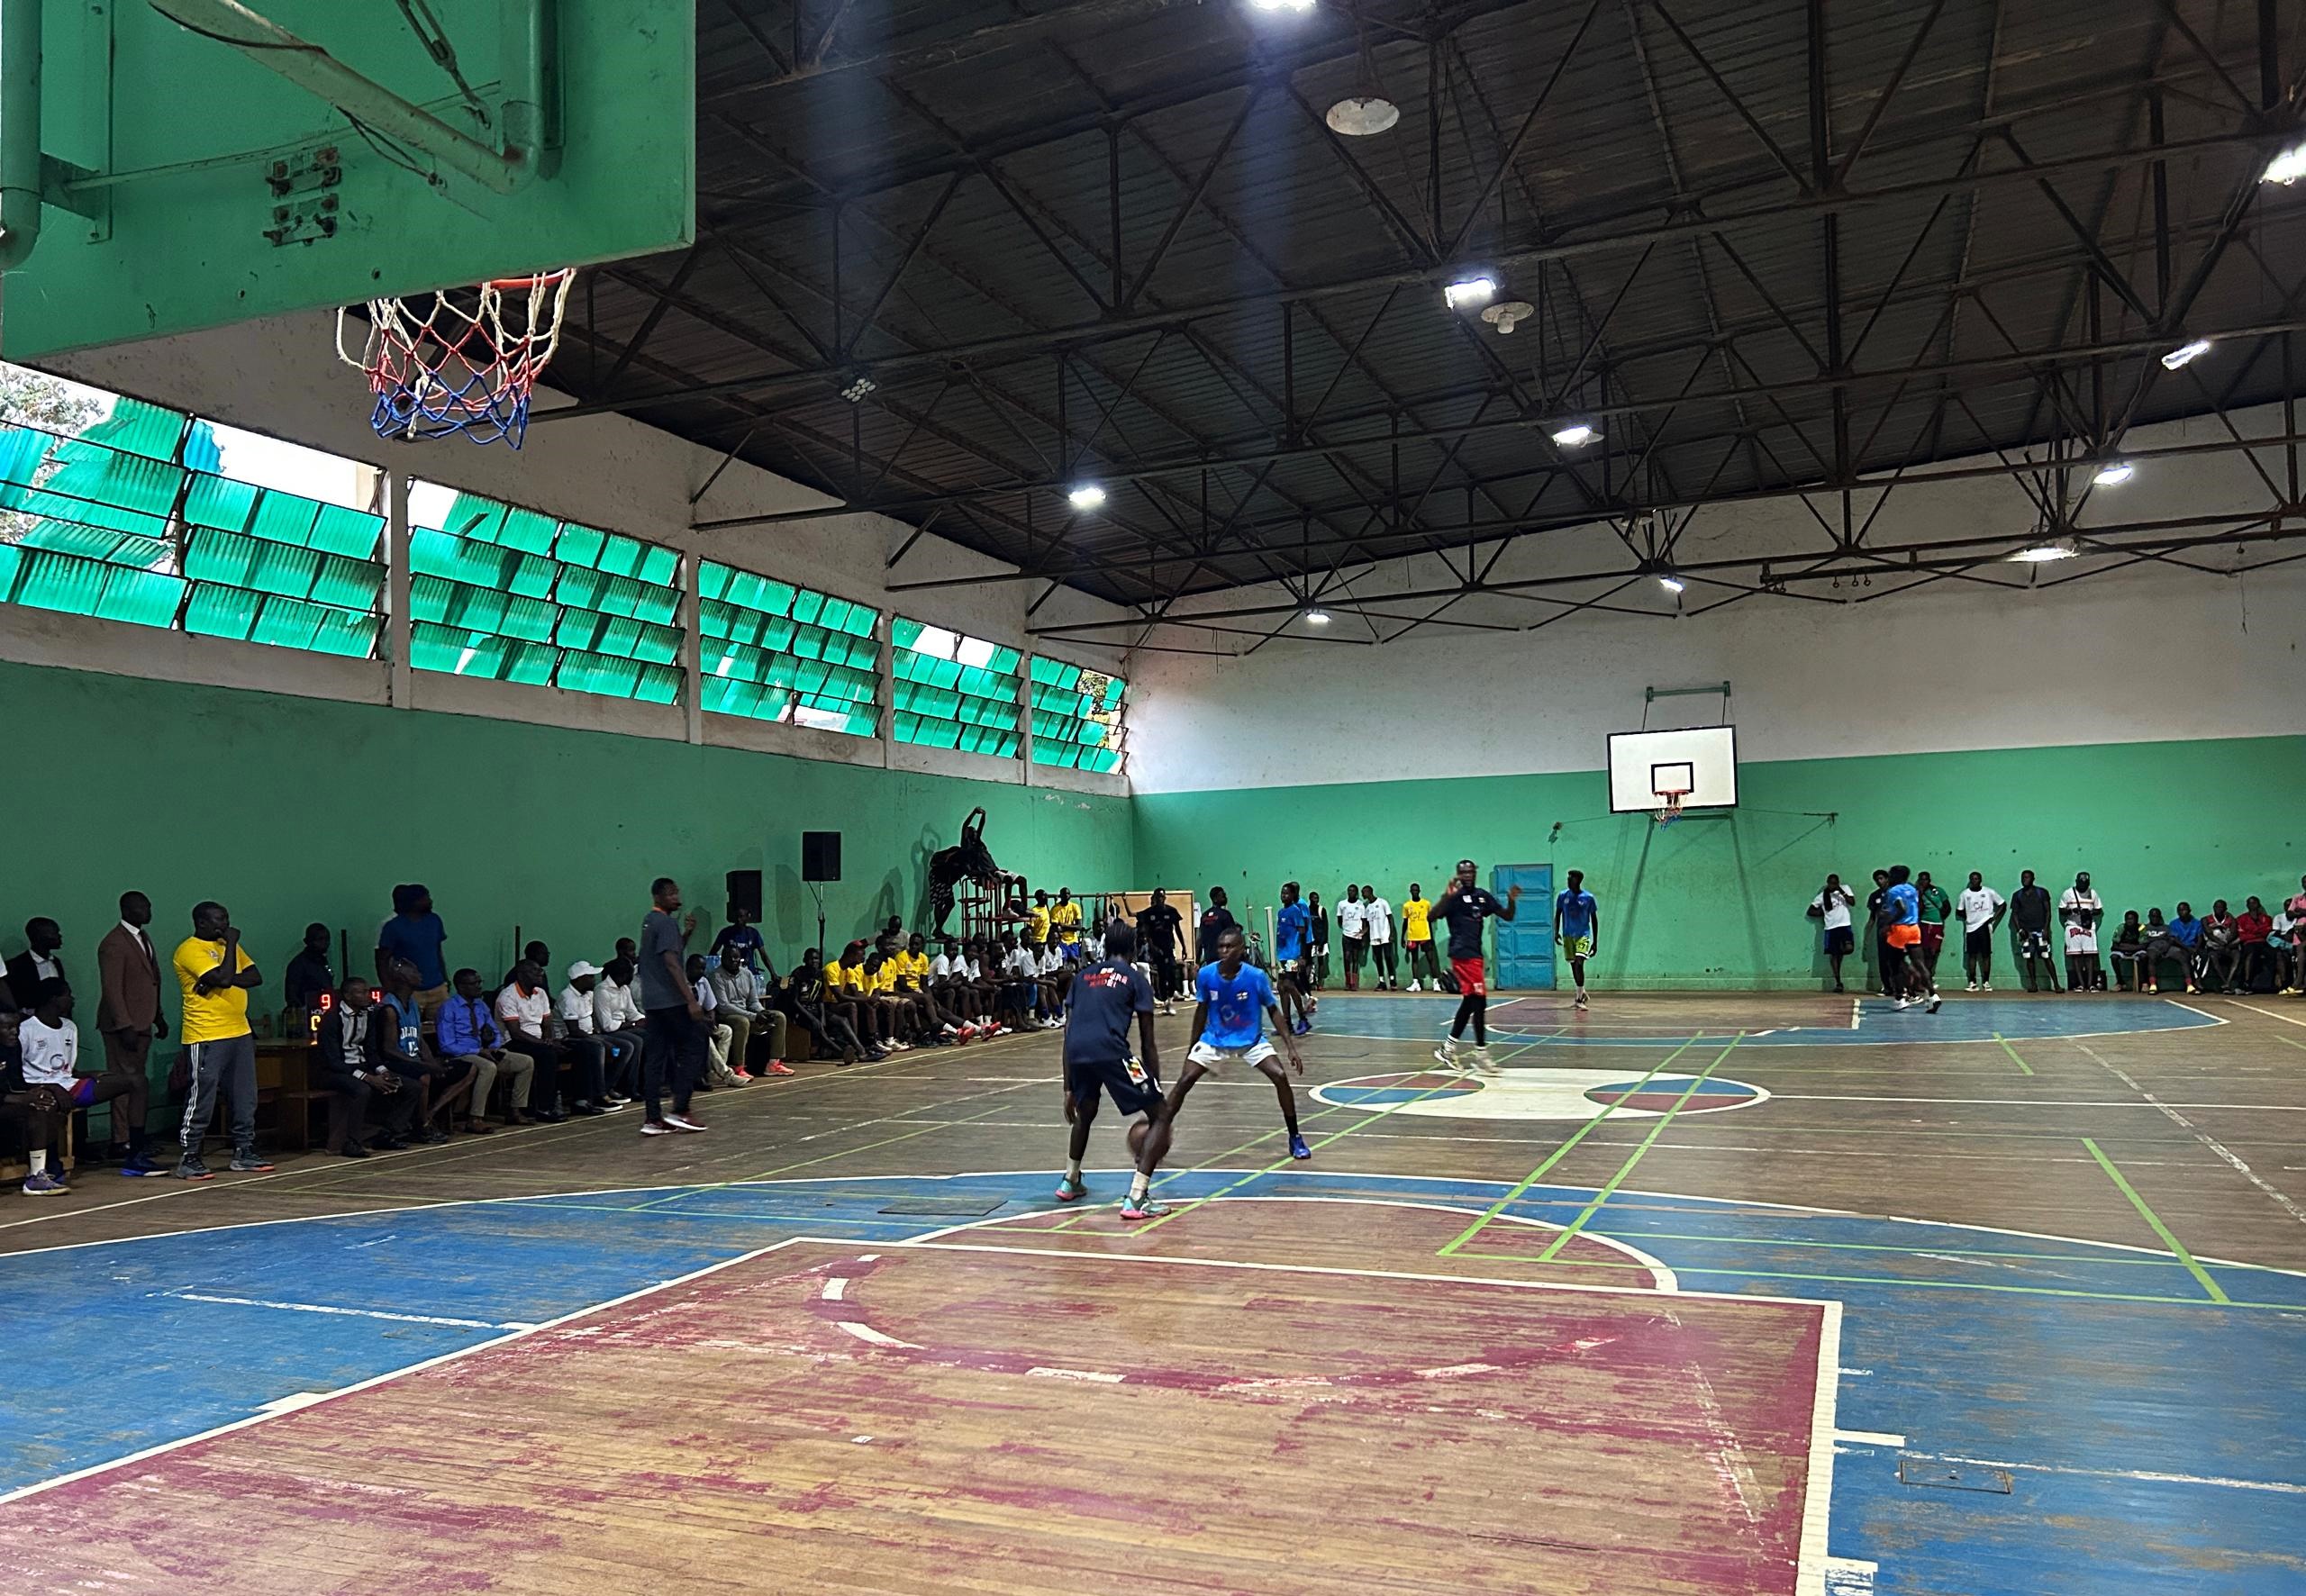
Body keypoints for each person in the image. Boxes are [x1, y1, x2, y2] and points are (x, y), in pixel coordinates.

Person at [1054, 920, 1175, 1218]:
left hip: (1078, 1052)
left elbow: (1068, 1031)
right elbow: (1148, 1043)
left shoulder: (1082, 977)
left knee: (1086, 1110)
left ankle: (1070, 1179)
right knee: (1161, 1114)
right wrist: (1153, 1086)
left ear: (1105, 947)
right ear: (1133, 948)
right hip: (1112, 1051)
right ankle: (1137, 1197)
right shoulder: (1136, 978)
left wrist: (1068, 1085)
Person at [13, 980, 157, 1186]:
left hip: (70, 1085)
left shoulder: (69, 1027)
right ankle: (52, 1165)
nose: (72, 999)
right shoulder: (26, 1029)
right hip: (40, 1088)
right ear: (53, 999)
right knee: (47, 1103)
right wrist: (51, 1087)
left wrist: (91, 1074)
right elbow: (19, 1074)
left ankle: (136, 1155)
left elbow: (67, 1070)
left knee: (137, 1081)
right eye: (67, 995)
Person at [1187, 925, 1310, 1165]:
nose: (1224, 951)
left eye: (1229, 946)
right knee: (1183, 1082)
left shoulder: (1255, 976)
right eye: (1221, 947)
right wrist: (1191, 1047)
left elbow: (1272, 1010)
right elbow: (1200, 1012)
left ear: (1241, 950)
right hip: (1215, 1040)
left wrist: (1290, 1047)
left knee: (1280, 1076)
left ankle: (1295, 1136)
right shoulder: (1206, 974)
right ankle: (1158, 1132)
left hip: (1251, 1040)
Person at [172, 901, 272, 1180]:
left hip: (239, 1032)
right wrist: (225, 966)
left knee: (244, 1095)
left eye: (226, 918)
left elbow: (255, 977)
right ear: (201, 923)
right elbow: (226, 978)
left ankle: (244, 1151)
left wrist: (217, 979)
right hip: (206, 1034)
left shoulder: (228, 947)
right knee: (202, 1095)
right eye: (218, 920)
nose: (225, 925)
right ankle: (189, 1156)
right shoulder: (189, 949)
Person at [93, 890, 167, 1174]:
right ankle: (122, 1140)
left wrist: (158, 1016)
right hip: (123, 1026)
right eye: (142, 906)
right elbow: (112, 989)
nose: (148, 910)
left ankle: (133, 1138)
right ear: (126, 908)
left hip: (143, 1021)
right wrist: (125, 1025)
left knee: (138, 1083)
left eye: (148, 904)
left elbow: (151, 982)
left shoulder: (143, 938)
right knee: (124, 1083)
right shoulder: (113, 943)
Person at [1431, 860, 1518, 1072]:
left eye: (1471, 871)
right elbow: (1431, 916)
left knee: (1472, 1003)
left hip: (1475, 954)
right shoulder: (1454, 897)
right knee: (1479, 1001)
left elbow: (1507, 915)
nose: (1468, 875)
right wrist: (1446, 896)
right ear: (1458, 875)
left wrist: (1511, 900)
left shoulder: (1482, 896)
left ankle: (1449, 1048)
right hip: (1462, 954)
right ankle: (1480, 1053)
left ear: (1475, 873)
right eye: (1464, 872)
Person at [638, 877, 709, 1135]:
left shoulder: (650, 921)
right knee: (696, 1042)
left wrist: (686, 934)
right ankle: (681, 1108)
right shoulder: (666, 922)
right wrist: (690, 999)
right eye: (670, 894)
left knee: (655, 1059)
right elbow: (671, 962)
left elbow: (671, 952)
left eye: (677, 892)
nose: (676, 897)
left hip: (653, 1003)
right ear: (657, 897)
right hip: (671, 1000)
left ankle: (653, 1118)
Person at [315, 978, 416, 1157]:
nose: (367, 996)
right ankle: (352, 1141)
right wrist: (367, 1077)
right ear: (347, 996)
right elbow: (332, 1060)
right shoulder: (331, 1018)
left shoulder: (368, 1015)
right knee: (362, 1090)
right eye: (361, 992)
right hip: (335, 1071)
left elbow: (371, 1052)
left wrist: (383, 1072)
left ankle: (388, 1132)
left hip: (361, 1067)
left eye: (367, 991)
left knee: (411, 1087)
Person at [373, 957, 467, 1143]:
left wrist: (431, 1062)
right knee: (424, 1076)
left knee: (466, 1068)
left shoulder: (413, 1004)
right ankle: (421, 1126)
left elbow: (419, 1038)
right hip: (394, 1062)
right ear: (402, 977)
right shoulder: (390, 1008)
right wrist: (425, 1065)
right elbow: (389, 1049)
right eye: (415, 972)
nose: (420, 975)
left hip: (414, 1060)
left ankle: (431, 1114)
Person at [435, 968, 536, 1132]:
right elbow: (446, 1045)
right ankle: (475, 1118)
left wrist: (494, 1047)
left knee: (525, 1062)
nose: (479, 987)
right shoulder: (449, 1008)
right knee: (488, 1068)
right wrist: (478, 1051)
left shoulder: (480, 1005)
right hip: (462, 1054)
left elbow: (494, 1031)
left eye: (479, 982)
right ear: (461, 987)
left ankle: (515, 1109)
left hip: (485, 1050)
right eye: (473, 984)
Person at [495, 960, 573, 1118]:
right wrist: (546, 1044)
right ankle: (544, 1107)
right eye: (535, 971)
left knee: (579, 1048)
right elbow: (515, 1032)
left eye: (540, 971)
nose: (541, 974)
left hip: (538, 1041)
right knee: (547, 1055)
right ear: (522, 975)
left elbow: (547, 1023)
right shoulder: (508, 996)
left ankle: (580, 1100)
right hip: (514, 1042)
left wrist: (550, 1040)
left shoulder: (540, 993)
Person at [557, 959, 637, 1109]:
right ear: (580, 979)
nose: (594, 979)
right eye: (591, 976)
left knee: (625, 1047)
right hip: (569, 1039)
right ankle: (599, 1095)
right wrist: (601, 1040)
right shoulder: (567, 997)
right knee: (598, 1047)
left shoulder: (588, 994)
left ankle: (607, 1087)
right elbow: (574, 1031)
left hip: (589, 1035)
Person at [712, 945, 793, 1075]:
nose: (734, 961)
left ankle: (773, 1063)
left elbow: (753, 1001)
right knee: (742, 1021)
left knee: (779, 1017)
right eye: (730, 958)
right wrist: (754, 1017)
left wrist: (762, 1012)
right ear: (723, 959)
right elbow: (724, 1006)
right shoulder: (716, 976)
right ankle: (739, 1067)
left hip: (746, 1013)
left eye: (736, 958)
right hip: (727, 1016)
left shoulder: (747, 973)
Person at [375, 884, 451, 1022]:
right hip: (410, 991)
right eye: (426, 898)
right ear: (414, 902)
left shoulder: (434, 920)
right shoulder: (393, 927)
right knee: (411, 1029)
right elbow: (382, 960)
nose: (430, 901)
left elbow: (438, 951)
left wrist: (445, 978)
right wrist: (390, 989)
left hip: (438, 987)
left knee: (442, 1029)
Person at [1881, 866, 1942, 1012]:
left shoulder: (1893, 891)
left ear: (1896, 876)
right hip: (1914, 928)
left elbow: (1902, 908)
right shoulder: (1912, 889)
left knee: (1894, 965)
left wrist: (1888, 923)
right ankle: (1933, 996)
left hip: (1899, 929)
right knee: (1920, 964)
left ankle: (1900, 998)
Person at [686, 953, 750, 1087]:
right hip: (685, 1025)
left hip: (701, 1023)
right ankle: (728, 1075)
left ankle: (714, 1073)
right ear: (688, 968)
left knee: (726, 1031)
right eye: (697, 968)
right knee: (703, 1034)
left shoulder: (703, 982)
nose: (700, 972)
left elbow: (711, 1007)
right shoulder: (678, 984)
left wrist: (711, 1020)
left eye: (703, 968)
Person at [1553, 870, 1599, 1011]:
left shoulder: (1588, 898)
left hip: (1583, 935)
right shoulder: (1562, 896)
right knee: (1574, 966)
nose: (1568, 881)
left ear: (1578, 881)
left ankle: (1579, 999)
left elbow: (1594, 919)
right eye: (1568, 878)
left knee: (1579, 962)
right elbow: (1558, 915)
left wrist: (1595, 942)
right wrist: (1556, 933)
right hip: (1568, 936)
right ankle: (1581, 992)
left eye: (1571, 879)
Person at [1273, 882, 1314, 1037]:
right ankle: (1287, 1023)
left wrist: (1302, 956)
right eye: (1282, 893)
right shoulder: (1281, 912)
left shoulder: (1295, 911)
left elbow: (1302, 933)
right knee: (1282, 987)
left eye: (1287, 893)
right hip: (1283, 955)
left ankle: (1303, 1019)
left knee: (1289, 985)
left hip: (1293, 955)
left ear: (1293, 895)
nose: (1284, 896)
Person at [2010, 870, 2061, 993]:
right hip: (2026, 933)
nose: (2024, 880)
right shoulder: (2017, 895)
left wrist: (2046, 929)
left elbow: (2048, 912)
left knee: (2046, 957)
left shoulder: (2041, 893)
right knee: (2029, 958)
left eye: (2027, 877)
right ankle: (2033, 984)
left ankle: (2056, 985)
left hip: (2040, 931)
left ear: (2033, 879)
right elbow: (2014, 914)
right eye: (2023, 877)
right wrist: (2019, 930)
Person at [1136, 889, 1185, 1014]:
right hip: (1157, 948)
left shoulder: (1171, 911)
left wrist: (1184, 946)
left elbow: (1178, 930)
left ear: (1165, 897)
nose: (1160, 898)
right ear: (1154, 898)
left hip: (1169, 946)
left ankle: (1171, 998)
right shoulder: (1149, 913)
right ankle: (1166, 1002)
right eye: (1157, 896)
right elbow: (1146, 932)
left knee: (1172, 971)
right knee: (1162, 974)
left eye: (1162, 896)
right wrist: (1152, 947)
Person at [4, 916, 64, 1017]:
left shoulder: (56, 963)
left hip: (57, 1020)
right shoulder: (16, 965)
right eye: (54, 933)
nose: (59, 936)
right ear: (40, 936)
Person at [1956, 872, 2004, 992]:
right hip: (1971, 928)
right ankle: (1972, 982)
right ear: (1970, 880)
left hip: (1985, 927)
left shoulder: (1989, 892)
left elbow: (2003, 904)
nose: (1974, 880)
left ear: (1980, 880)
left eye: (1977, 878)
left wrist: (1994, 918)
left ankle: (1986, 982)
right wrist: (1970, 918)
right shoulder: (1965, 894)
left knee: (1986, 955)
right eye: (1972, 879)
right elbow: (1959, 911)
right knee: (1971, 955)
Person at [1809, 874, 1857, 993]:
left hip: (1844, 925)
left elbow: (1852, 902)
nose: (1833, 885)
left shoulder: (1845, 889)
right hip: (1831, 927)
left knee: (1848, 948)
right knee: (1834, 955)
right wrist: (1823, 913)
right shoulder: (1822, 896)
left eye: (1835, 883)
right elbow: (1811, 910)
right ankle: (1838, 982)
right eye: (1830, 883)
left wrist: (1841, 891)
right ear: (1827, 883)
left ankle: (1839, 955)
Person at [2059, 872, 2104, 993]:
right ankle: (2080, 984)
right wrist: (2071, 910)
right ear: (2076, 881)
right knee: (2076, 956)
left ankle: (2090, 984)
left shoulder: (2093, 893)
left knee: (2090, 955)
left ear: (2088, 883)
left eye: (2085, 883)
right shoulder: (2068, 893)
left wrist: (2088, 913)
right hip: (2073, 926)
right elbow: (2061, 909)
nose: (2083, 885)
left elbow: (2098, 910)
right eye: (2081, 882)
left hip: (2088, 927)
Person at [283, 922, 334, 1016]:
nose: (325, 943)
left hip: (325, 1010)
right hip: (307, 1013)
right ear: (307, 941)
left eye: (327, 939)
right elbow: (292, 995)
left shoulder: (322, 961)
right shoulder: (298, 964)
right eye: (320, 939)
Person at [2138, 909, 2188, 994]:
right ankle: (2153, 985)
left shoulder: (2167, 927)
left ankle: (2189, 984)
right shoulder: (2143, 927)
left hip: (2167, 948)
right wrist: (2160, 938)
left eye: (2157, 916)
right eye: (2153, 916)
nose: (2155, 918)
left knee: (2182, 956)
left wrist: (2165, 947)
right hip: (2153, 948)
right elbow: (2143, 941)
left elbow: (2172, 939)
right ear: (2149, 917)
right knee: (2151, 957)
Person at [1916, 871, 1953, 980]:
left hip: (1938, 925)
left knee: (1934, 951)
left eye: (1925, 879)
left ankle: (1928, 975)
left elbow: (1947, 906)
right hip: (1924, 924)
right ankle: (1924, 977)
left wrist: (1942, 917)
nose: (1923, 882)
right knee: (1924, 951)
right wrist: (1920, 894)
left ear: (1929, 880)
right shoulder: (1917, 893)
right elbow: (1919, 909)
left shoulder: (1938, 891)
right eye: (1921, 880)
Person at [709, 906, 767, 975]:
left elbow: (763, 955)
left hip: (749, 972)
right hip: (729, 974)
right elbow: (713, 953)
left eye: (741, 916)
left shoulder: (753, 933)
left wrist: (773, 973)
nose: (739, 919)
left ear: (747, 917)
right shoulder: (726, 932)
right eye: (737, 916)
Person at [2200, 899, 2242, 993]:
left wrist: (2226, 943)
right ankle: (2224, 982)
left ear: (2225, 909)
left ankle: (2228, 982)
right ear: (2213, 908)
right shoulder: (2206, 919)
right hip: (2214, 947)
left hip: (2227, 946)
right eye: (2216, 907)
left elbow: (2234, 933)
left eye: (2221, 907)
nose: (2218, 909)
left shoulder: (2231, 920)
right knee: (2213, 957)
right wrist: (2220, 943)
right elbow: (2209, 934)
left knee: (2237, 955)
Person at [1402, 884, 1438, 992]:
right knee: (1414, 959)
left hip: (1425, 935)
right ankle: (1416, 983)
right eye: (1413, 890)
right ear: (1410, 892)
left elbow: (1430, 921)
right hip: (1412, 936)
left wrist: (1431, 936)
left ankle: (1436, 982)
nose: (1415, 892)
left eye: (1416, 890)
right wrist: (1402, 937)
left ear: (1419, 891)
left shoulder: (1426, 904)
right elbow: (1405, 922)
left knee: (1431, 959)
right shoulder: (1407, 906)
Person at [1863, 870, 1893, 995]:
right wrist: (1867, 936)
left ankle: (1902, 987)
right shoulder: (1874, 896)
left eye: (1881, 878)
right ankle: (1887, 987)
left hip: (1896, 931)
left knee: (1896, 960)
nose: (1879, 882)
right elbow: (1872, 917)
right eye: (1877, 880)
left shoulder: (1895, 893)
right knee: (1883, 960)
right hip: (1881, 932)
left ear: (1887, 879)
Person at [2238, 897, 2276, 992]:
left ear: (2259, 904)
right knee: (2250, 954)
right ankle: (2247, 982)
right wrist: (2257, 933)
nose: (2253, 905)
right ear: (2247, 905)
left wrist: (2252, 932)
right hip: (2249, 943)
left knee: (2276, 954)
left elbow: (2266, 932)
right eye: (2250, 903)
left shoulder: (2266, 918)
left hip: (2263, 942)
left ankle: (2277, 983)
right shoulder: (2241, 918)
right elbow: (2242, 935)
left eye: (2255, 903)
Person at [2168, 902, 2205, 993]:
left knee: (2204, 956)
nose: (2182, 912)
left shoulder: (2197, 923)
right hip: (2181, 947)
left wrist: (2196, 948)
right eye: (2180, 910)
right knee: (2186, 957)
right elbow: (2175, 940)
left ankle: (2199, 980)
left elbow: (2200, 938)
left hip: (2194, 947)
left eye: (2184, 909)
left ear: (2189, 910)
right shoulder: (2174, 923)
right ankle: (2190, 984)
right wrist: (2188, 949)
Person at [1337, 884, 1367, 991]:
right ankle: (1347, 982)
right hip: (1346, 935)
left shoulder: (1361, 905)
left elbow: (1364, 921)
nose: (1351, 892)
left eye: (1353, 891)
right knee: (1346, 957)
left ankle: (1354, 983)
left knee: (1355, 958)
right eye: (1349, 891)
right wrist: (1347, 928)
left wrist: (1362, 936)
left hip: (1357, 936)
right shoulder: (1342, 904)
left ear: (1356, 892)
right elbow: (1340, 920)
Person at [1196, 886, 1237, 966]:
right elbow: (1233, 937)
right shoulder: (1225, 914)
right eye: (1222, 896)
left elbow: (1199, 939)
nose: (1225, 898)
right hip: (1224, 958)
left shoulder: (1204, 916)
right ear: (1215, 899)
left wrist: (1197, 960)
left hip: (1209, 958)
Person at [2109, 911, 2147, 991]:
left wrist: (2126, 946)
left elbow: (2144, 945)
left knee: (2144, 956)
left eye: (2132, 919)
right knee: (2114, 957)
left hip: (2136, 950)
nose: (2129, 921)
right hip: (2123, 951)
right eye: (2127, 919)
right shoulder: (2121, 928)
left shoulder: (2141, 928)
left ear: (2136, 920)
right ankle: (2120, 982)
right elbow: (2114, 946)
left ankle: (2144, 982)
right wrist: (2131, 947)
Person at [1049, 888, 1084, 960]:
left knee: (1076, 960)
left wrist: (1064, 926)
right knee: (1063, 961)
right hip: (1061, 941)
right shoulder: (1055, 909)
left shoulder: (1075, 907)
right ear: (1060, 896)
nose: (1066, 895)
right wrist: (1072, 928)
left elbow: (1079, 927)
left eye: (1068, 893)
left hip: (1073, 940)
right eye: (1064, 894)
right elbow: (1056, 928)